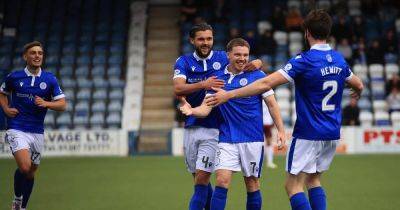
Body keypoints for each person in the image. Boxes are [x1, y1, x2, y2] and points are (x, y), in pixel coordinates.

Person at [207, 10, 364, 210]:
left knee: (293, 185)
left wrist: (229, 94)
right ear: (328, 32)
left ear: (306, 33)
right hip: (332, 132)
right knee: (313, 180)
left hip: (308, 131)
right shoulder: (339, 60)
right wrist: (358, 90)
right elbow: (358, 83)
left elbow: (266, 83)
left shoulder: (304, 61)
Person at [179, 38, 285, 210]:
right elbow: (206, 109)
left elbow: (272, 104)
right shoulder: (218, 79)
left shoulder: (257, 76)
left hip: (252, 139)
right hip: (227, 137)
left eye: (245, 55)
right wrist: (192, 111)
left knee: (252, 184)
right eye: (238, 54)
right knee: (221, 180)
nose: (242, 58)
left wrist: (280, 130)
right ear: (228, 55)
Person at [173, 23, 262, 210]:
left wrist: (258, 62)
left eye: (209, 39)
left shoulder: (223, 57)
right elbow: (178, 88)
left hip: (215, 127)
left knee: (204, 178)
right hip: (192, 123)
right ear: (192, 40)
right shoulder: (183, 61)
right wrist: (203, 84)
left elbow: (245, 60)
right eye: (201, 39)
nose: (206, 43)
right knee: (198, 179)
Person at [0, 41, 67, 210]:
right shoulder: (14, 77)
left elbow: (62, 105)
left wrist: (46, 103)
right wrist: (6, 109)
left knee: (30, 172)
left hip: (37, 131)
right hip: (17, 127)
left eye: (40, 53)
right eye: (33, 53)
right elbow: (2, 93)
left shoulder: (49, 79)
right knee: (24, 166)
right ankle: (17, 199)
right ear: (25, 56)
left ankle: (22, 207)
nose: (37, 56)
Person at [262, 101, 277, 168]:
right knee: (262, 143)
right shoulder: (260, 98)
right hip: (262, 122)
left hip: (267, 122)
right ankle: (266, 162)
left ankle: (269, 162)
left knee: (268, 142)